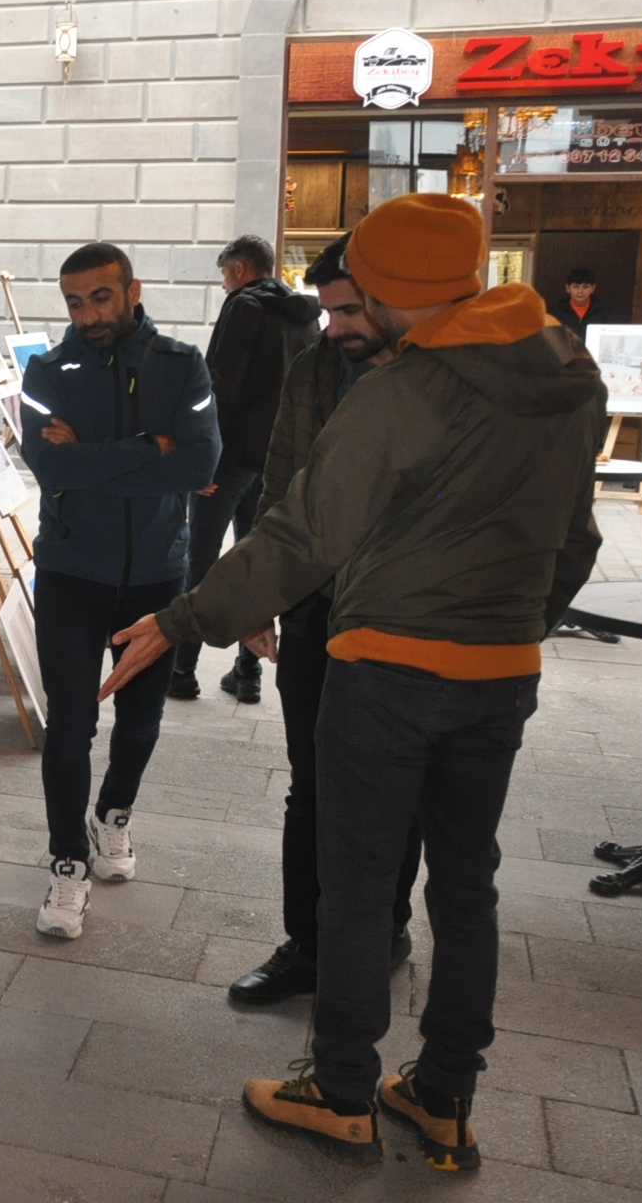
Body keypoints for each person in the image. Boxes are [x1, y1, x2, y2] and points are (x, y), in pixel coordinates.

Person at [101, 193, 605, 1171]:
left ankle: (339, 1091)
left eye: (359, 295)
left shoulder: (401, 392)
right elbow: (574, 539)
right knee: (466, 886)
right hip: (499, 675)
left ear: (392, 293)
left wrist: (181, 618)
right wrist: (511, 630)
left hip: (385, 668)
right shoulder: (564, 373)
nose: (347, 314)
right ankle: (443, 1094)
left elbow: (301, 535)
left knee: (356, 880)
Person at [224, 237, 421, 1008]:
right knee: (310, 786)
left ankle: (385, 930)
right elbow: (281, 484)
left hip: (404, 620)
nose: (336, 325)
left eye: (351, 309)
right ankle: (306, 944)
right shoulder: (314, 369)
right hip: (316, 609)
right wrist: (257, 597)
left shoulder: (434, 377)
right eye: (331, 309)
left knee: (395, 791)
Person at [17, 242, 219, 939]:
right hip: (72, 574)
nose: (88, 314)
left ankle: (113, 817)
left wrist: (93, 459)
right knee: (69, 726)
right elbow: (48, 467)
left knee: (142, 721)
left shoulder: (181, 366)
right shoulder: (46, 371)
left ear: (132, 290)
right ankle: (67, 862)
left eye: (101, 297)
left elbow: (199, 465)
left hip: (158, 576)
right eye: (75, 302)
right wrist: (149, 449)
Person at [171, 235, 319, 705]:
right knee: (257, 561)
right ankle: (248, 672)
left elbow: (220, 388)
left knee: (201, 558)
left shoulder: (244, 308)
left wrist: (205, 460)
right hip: (276, 463)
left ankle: (183, 670)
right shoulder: (305, 318)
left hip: (231, 461)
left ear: (237, 269)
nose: (222, 286)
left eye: (223, 275)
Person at [551, 266, 615, 342]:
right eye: (575, 287)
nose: (580, 291)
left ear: (592, 288)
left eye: (585, 287)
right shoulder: (556, 312)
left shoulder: (605, 312)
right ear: (568, 288)